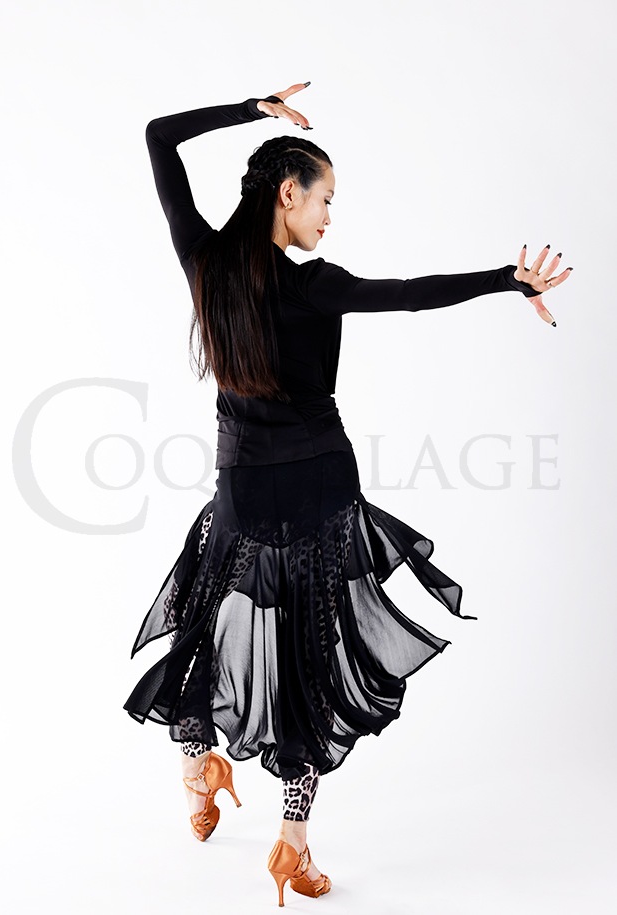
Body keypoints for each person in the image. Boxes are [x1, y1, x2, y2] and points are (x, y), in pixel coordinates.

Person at [123, 82, 571, 905]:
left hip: (242, 486)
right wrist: (507, 280)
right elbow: (408, 292)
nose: (329, 215)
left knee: (203, 624)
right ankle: (292, 842)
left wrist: (253, 110)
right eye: (324, 198)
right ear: (287, 194)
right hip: (322, 485)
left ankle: (197, 772)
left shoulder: (203, 262)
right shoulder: (314, 284)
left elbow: (158, 135)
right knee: (307, 657)